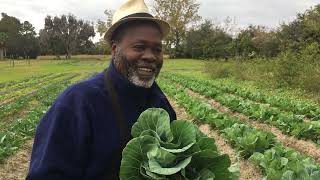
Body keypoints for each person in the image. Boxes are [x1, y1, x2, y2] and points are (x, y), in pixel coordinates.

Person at [26, 0, 176, 179]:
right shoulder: (77, 103)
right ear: (115, 49)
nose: (151, 56)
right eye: (139, 47)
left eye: (157, 49)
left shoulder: (160, 103)